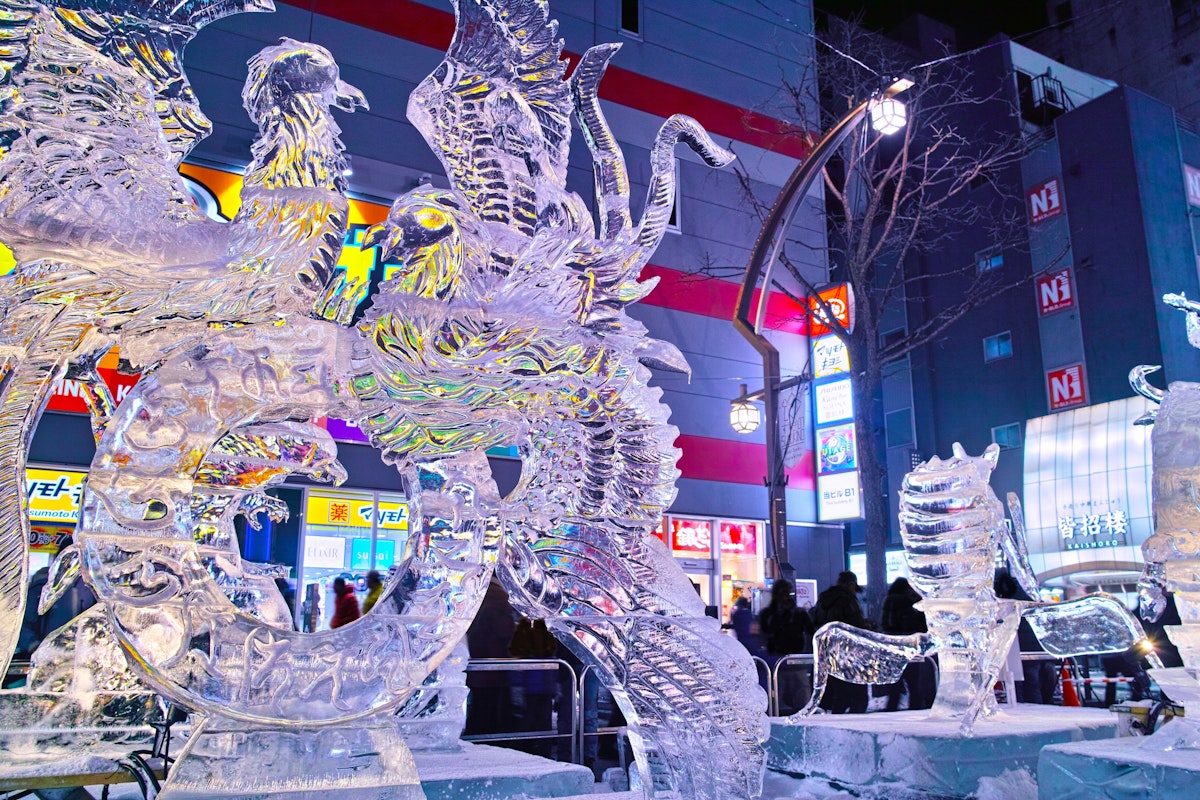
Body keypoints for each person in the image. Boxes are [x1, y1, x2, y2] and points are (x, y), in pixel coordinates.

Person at [811, 571, 869, 713]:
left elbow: (816, 622)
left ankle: (835, 714)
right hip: (849, 650)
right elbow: (856, 625)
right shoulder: (847, 600)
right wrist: (867, 628)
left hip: (828, 649)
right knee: (857, 691)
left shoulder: (824, 600)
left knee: (838, 691)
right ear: (851, 585)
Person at [465, 578, 517, 736]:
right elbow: (504, 630)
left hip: (476, 662)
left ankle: (476, 737)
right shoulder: (499, 598)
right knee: (491, 710)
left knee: (479, 706)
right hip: (494, 666)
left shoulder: (476, 596)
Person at [760, 579, 814, 714]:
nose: (786, 597)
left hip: (796, 660)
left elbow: (811, 631)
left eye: (788, 593)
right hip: (778, 661)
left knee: (802, 696)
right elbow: (765, 633)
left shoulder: (799, 613)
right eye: (783, 594)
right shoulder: (768, 614)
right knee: (777, 698)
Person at [880, 577, 934, 711]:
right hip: (909, 645)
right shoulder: (906, 603)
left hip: (892, 646)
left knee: (895, 684)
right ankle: (916, 708)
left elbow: (886, 624)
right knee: (914, 683)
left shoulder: (888, 601)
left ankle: (891, 708)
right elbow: (914, 625)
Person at [509, 617, 559, 756]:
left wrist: (516, 687)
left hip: (529, 685)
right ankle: (545, 754)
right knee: (544, 724)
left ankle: (519, 753)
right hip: (545, 685)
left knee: (526, 722)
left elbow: (517, 656)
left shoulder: (523, 630)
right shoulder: (548, 631)